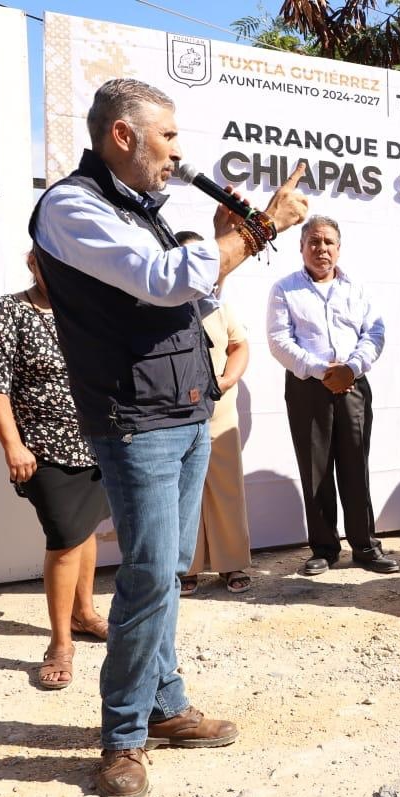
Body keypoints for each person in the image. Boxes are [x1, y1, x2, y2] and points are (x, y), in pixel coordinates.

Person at [29, 78, 307, 797]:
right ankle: (122, 740)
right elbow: (159, 280)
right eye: (170, 137)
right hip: (135, 419)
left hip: (183, 409)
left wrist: (227, 242)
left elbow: (193, 293)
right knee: (150, 576)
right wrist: (253, 230)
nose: (178, 153)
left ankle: (163, 705)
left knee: (167, 571)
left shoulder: (142, 210)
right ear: (123, 136)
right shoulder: (69, 206)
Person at [0, 252, 111, 690]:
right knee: (65, 537)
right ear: (33, 262)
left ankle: (84, 614)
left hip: (96, 443)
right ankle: (60, 642)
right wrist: (13, 445)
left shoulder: (85, 312)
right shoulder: (7, 310)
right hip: (43, 449)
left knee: (85, 530)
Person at [267, 216, 398, 577]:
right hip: (308, 387)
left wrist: (351, 368)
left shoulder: (355, 289)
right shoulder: (285, 289)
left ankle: (366, 546)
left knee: (356, 465)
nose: (321, 248)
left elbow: (375, 333)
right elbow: (279, 340)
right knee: (316, 469)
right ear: (302, 247)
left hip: (353, 384)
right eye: (314, 241)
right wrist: (321, 370)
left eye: (328, 242)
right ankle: (324, 548)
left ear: (338, 248)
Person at [178, 231, 254, 596]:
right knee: (183, 492)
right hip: (176, 413)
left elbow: (239, 345)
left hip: (220, 411)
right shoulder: (160, 304)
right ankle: (185, 567)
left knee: (226, 488)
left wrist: (227, 380)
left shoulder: (219, 305)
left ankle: (232, 563)